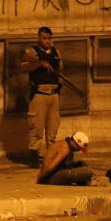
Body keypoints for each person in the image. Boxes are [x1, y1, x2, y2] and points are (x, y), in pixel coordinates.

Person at [21, 26, 63, 168]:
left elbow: (60, 69)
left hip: (54, 94)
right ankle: (34, 158)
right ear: (39, 38)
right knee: (36, 128)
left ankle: (50, 158)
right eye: (44, 38)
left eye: (49, 38)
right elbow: (23, 67)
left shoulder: (56, 52)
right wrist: (39, 63)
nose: (47, 41)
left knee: (52, 129)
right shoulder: (32, 51)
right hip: (39, 94)